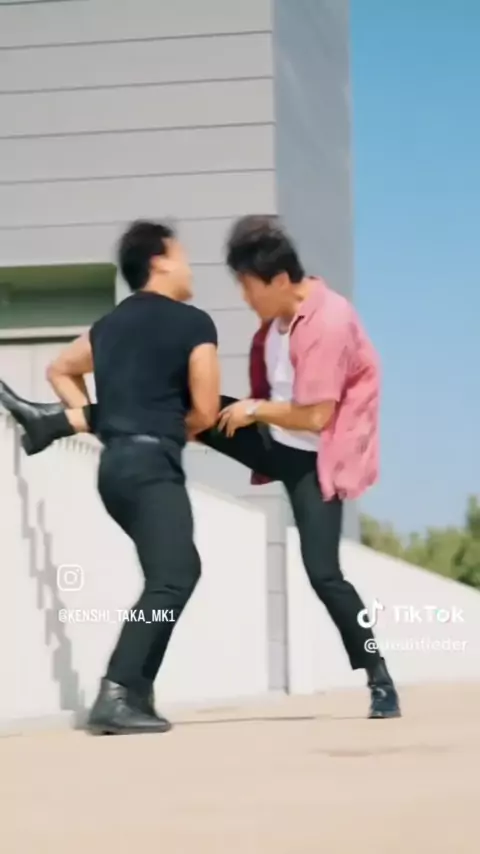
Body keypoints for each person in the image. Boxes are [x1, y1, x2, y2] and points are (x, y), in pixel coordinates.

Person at [0, 216, 400, 719]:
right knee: (168, 402)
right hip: (268, 438)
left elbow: (318, 417)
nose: (245, 298)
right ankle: (54, 421)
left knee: (325, 575)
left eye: (249, 287)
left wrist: (253, 409)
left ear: (279, 280)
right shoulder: (272, 327)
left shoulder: (329, 321)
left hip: (314, 461)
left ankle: (379, 676)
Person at [3, 220, 221, 735]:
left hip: (115, 470)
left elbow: (60, 368)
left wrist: (100, 422)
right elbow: (207, 411)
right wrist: (175, 424)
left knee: (173, 574)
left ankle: (137, 692)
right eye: (183, 255)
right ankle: (119, 691)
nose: (190, 267)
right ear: (160, 260)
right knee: (174, 577)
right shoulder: (193, 323)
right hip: (152, 466)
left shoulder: (109, 326)